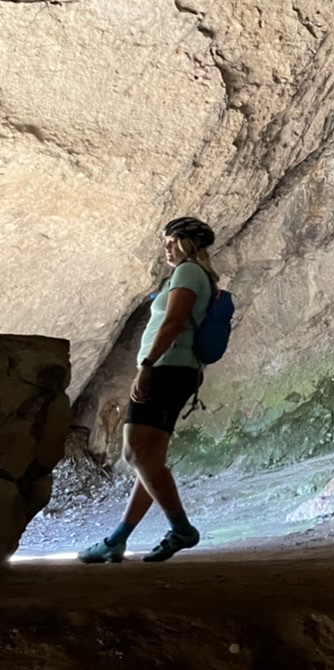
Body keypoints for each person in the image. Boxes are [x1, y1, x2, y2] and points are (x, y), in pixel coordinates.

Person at [79, 216, 217, 563]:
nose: (167, 248)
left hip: (167, 369)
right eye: (165, 241)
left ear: (188, 243)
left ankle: (182, 529)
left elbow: (172, 323)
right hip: (178, 371)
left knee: (136, 455)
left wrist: (147, 366)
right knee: (148, 460)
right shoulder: (198, 275)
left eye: (173, 241)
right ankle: (116, 541)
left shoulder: (187, 273)